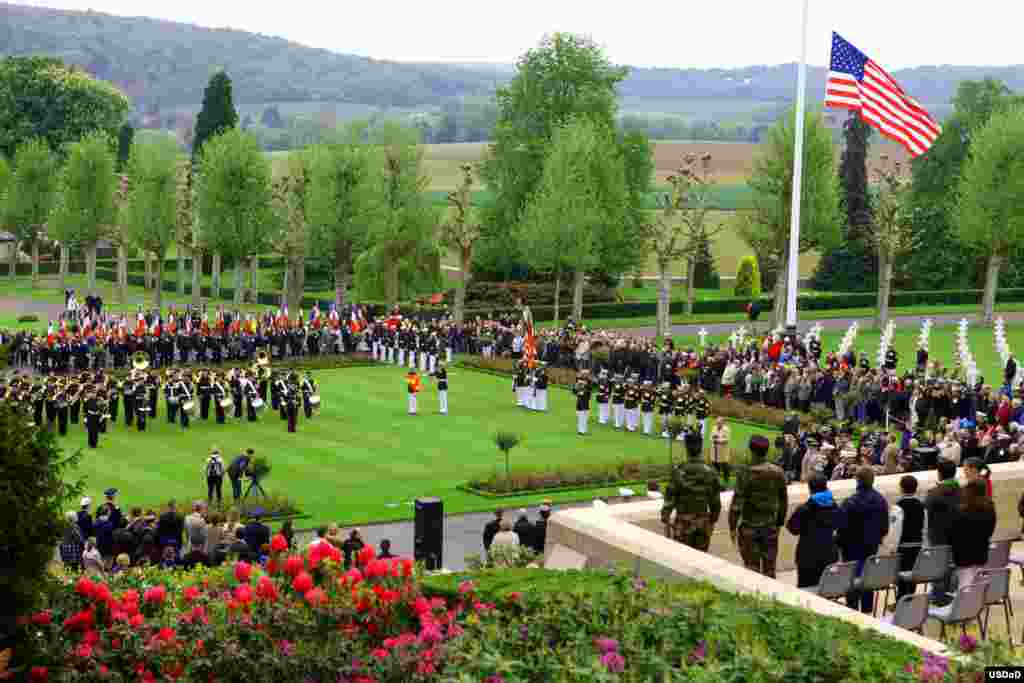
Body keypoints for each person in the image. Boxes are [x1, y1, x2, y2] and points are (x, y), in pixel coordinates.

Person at [729, 435, 787, 578]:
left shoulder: (745, 473)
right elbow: (783, 500)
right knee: (769, 571)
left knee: (751, 572)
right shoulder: (777, 472)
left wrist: (732, 527)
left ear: (751, 450)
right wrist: (779, 523)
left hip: (749, 528)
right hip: (770, 528)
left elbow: (736, 505)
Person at [837, 467, 890, 614]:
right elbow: (884, 528)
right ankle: (867, 611)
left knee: (852, 579)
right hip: (870, 547)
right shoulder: (881, 501)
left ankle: (852, 610)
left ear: (857, 481)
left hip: (851, 550)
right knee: (867, 577)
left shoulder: (849, 502)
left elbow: (840, 527)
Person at [661, 432, 722, 551]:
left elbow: (669, 500)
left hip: (682, 525)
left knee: (682, 563)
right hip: (703, 525)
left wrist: (666, 519)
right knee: (700, 561)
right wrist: (712, 521)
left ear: (686, 448)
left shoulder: (678, 471)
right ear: (701, 447)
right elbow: (715, 503)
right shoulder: (710, 472)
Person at [787, 474, 845, 589]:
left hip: (807, 558)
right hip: (830, 555)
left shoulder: (804, 509)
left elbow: (792, 528)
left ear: (810, 488)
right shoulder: (836, 507)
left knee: (806, 590)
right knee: (827, 590)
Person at [925, 458, 962, 606]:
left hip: (939, 538)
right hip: (957, 536)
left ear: (939, 474)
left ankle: (939, 597)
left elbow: (927, 510)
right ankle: (950, 597)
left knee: (939, 569)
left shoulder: (934, 493)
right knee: (953, 568)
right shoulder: (962, 491)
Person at [951, 480, 997, 588]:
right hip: (981, 552)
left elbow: (953, 533)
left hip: (963, 555)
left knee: (965, 586)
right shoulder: (989, 508)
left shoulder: (960, 511)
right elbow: (991, 529)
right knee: (977, 586)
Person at [889, 475, 927, 600]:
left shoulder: (898, 506)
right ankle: (910, 599)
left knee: (901, 577)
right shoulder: (922, 505)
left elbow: (895, 529)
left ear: (901, 488)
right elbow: (925, 527)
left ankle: (901, 601)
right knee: (912, 576)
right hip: (917, 545)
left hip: (903, 546)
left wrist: (892, 547)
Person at [710, 417, 732, 482]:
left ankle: (726, 479)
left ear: (723, 423)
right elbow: (711, 437)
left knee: (725, 466)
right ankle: (716, 479)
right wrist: (714, 439)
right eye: (717, 423)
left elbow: (727, 439)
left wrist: (718, 440)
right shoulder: (714, 428)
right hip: (715, 450)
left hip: (722, 451)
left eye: (719, 423)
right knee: (715, 465)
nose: (717, 424)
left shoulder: (727, 429)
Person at [573, 370, 593, 436]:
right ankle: (581, 430)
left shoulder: (589, 382)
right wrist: (577, 388)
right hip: (579, 400)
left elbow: (589, 391)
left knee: (584, 416)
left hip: (585, 401)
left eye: (586, 374)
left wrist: (584, 388)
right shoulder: (578, 380)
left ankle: (583, 430)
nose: (584, 375)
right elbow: (574, 391)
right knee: (580, 416)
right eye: (583, 374)